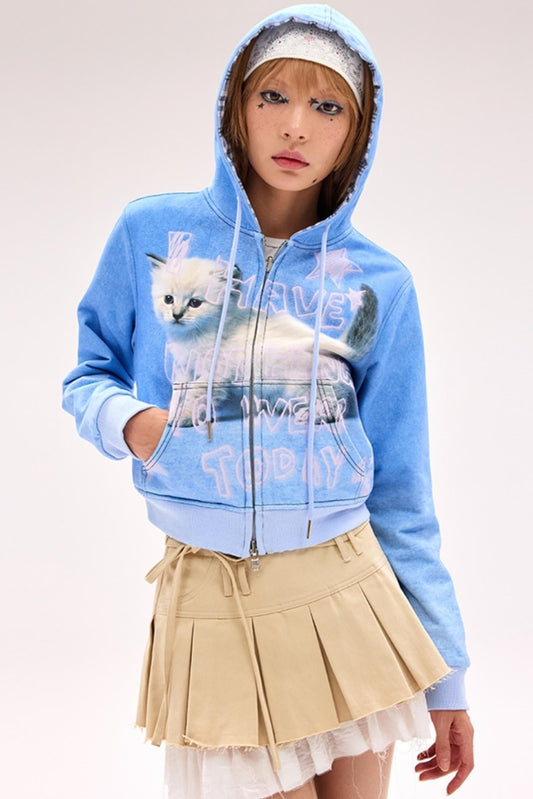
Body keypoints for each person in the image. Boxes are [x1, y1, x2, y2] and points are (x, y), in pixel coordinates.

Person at [62, 5, 474, 798]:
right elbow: (89, 373)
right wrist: (134, 424)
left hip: (349, 590)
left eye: (327, 107)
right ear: (235, 108)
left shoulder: (376, 282)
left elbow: (402, 489)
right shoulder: (153, 231)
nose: (295, 127)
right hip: (212, 596)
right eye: (272, 96)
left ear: (356, 134)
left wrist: (447, 674)